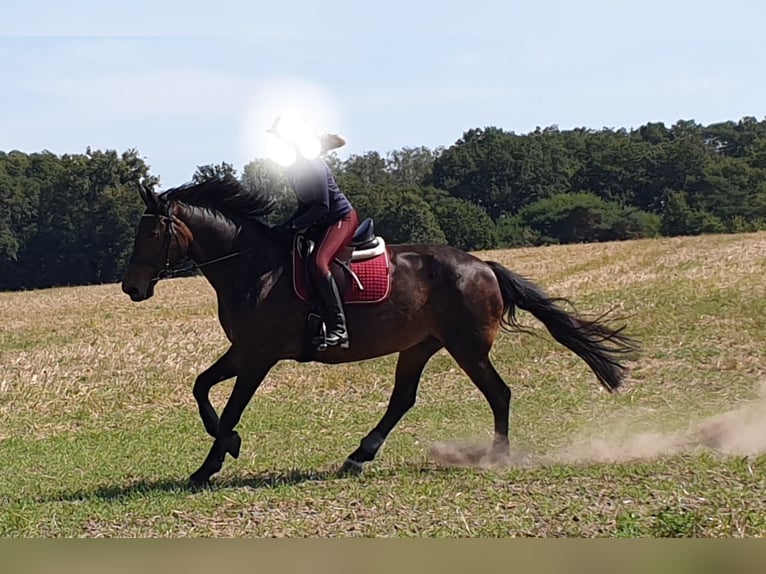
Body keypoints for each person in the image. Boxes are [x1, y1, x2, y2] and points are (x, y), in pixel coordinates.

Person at [268, 116, 359, 349]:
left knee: (319, 263)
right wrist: (284, 228)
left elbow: (322, 206)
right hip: (320, 221)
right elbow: (303, 206)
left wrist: (294, 226)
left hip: (340, 218)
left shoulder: (313, 164)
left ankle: (340, 329)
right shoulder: (292, 169)